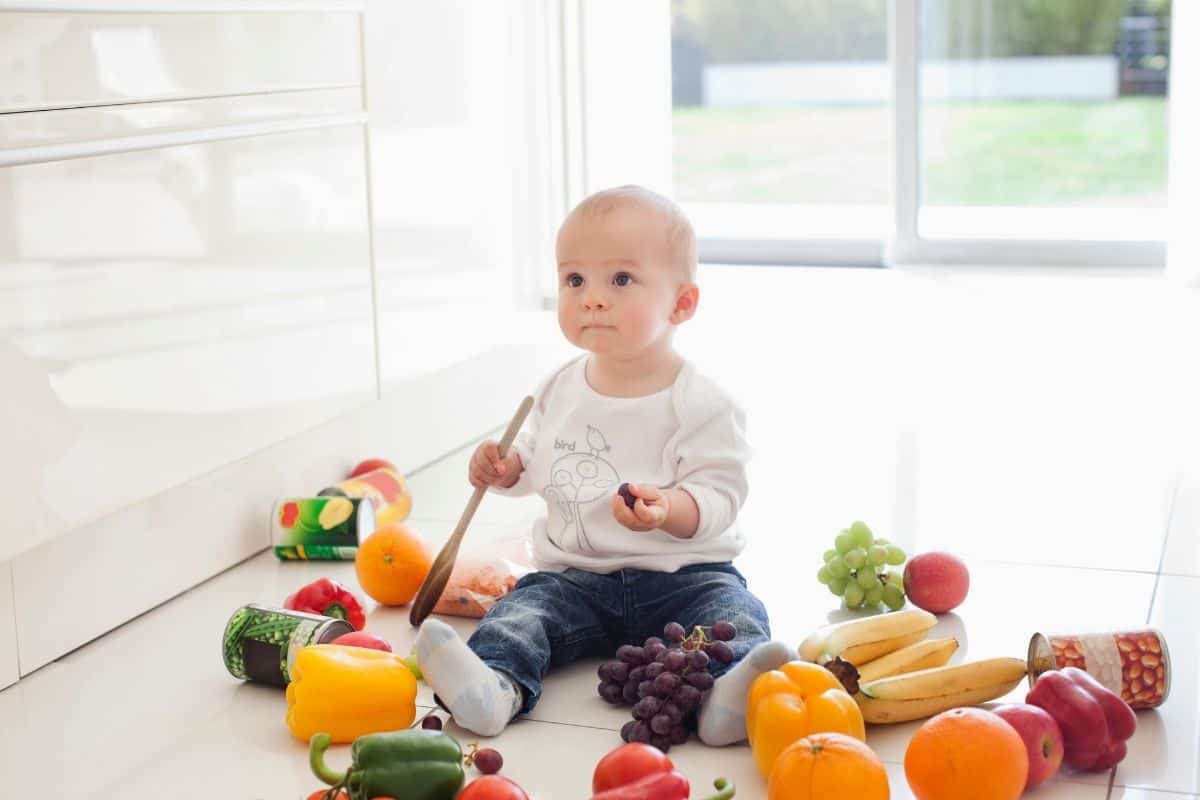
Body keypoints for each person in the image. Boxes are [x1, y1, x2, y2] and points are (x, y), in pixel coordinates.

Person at [414, 185, 792, 746]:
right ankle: (494, 686)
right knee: (521, 614)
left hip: (683, 577)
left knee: (732, 613)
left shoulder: (702, 402)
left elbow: (719, 495)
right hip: (575, 578)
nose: (592, 298)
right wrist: (507, 468)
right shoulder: (559, 388)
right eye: (574, 280)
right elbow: (539, 467)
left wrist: (669, 508)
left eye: (620, 280)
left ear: (681, 304)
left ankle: (722, 698)